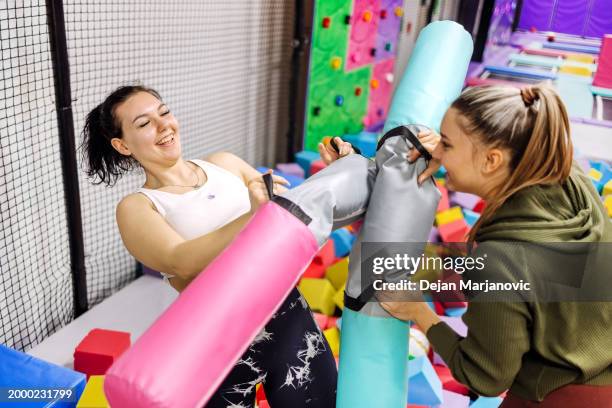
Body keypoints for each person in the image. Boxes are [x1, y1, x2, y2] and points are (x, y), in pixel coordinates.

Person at [81, 85, 337, 408]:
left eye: (164, 113)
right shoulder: (138, 206)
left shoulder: (224, 164)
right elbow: (180, 260)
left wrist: (334, 174)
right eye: (144, 124)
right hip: (218, 346)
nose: (163, 126)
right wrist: (253, 216)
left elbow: (291, 217)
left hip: (288, 318)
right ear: (122, 145)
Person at [373, 85, 612, 407]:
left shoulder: (499, 261)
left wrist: (419, 311)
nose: (439, 154)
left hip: (559, 394)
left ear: (492, 160)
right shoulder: (566, 174)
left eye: (447, 144)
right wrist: (446, 148)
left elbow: (485, 377)